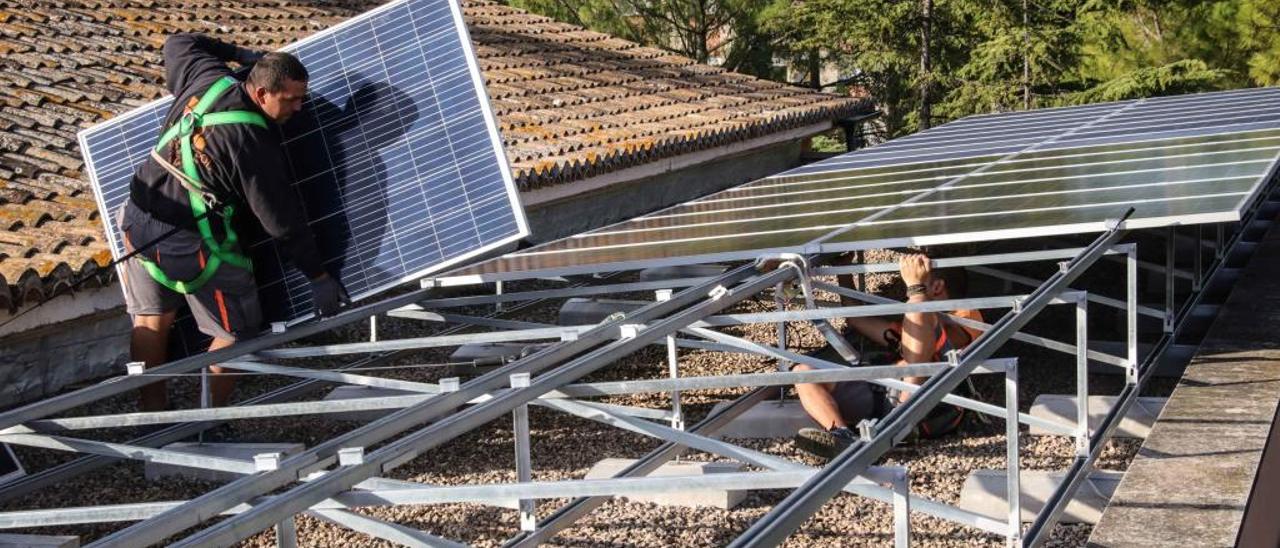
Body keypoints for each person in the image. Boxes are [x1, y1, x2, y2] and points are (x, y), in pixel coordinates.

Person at [119, 34, 348, 411]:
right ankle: (206, 419)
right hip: (189, 241)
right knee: (238, 331)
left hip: (137, 220)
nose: (300, 107)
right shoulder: (251, 141)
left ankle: (152, 415)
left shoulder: (207, 77)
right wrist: (318, 278)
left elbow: (178, 42)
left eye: (302, 97)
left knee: (151, 321)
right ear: (260, 95)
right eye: (289, 99)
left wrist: (241, 55)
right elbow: (281, 221)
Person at [792, 253, 983, 459]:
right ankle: (842, 437)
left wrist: (916, 291)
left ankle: (903, 417)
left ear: (936, 287)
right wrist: (844, 270)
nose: (906, 289)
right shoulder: (912, 325)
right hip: (887, 395)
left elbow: (932, 329)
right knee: (803, 373)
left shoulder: (967, 316)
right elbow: (857, 320)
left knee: (921, 314)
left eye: (915, 279)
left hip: (933, 404)